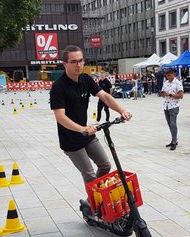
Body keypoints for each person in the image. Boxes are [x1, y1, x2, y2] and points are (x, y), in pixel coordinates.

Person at [50, 45, 132, 184]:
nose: (79, 65)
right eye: (74, 61)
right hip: (70, 138)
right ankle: (95, 204)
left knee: (105, 165)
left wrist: (122, 111)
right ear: (65, 64)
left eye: (81, 60)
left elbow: (104, 96)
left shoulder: (85, 79)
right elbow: (60, 117)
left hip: (87, 134)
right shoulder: (58, 87)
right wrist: (82, 128)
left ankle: (92, 201)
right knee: (89, 174)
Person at [160, 68, 183, 151]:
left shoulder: (178, 83)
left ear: (173, 74)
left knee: (173, 124)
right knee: (169, 124)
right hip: (166, 106)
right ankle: (174, 139)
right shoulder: (165, 83)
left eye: (169, 75)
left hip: (174, 106)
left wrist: (170, 95)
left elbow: (181, 96)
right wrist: (163, 94)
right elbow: (162, 93)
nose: (168, 77)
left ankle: (174, 141)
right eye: (166, 75)